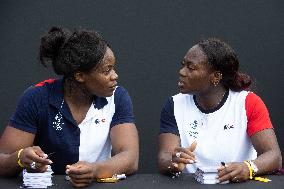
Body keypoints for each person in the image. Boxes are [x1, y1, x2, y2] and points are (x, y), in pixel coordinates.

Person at [0, 26, 139, 187]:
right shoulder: (37, 97)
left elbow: (130, 157)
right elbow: (3, 158)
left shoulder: (118, 97)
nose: (115, 76)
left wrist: (94, 170)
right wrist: (19, 157)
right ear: (80, 76)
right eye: (107, 70)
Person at [158, 38, 282, 183]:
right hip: (191, 185)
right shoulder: (174, 104)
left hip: (239, 185)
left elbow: (274, 156)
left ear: (215, 77)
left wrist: (248, 167)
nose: (182, 72)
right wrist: (174, 161)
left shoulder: (248, 102)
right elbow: (164, 157)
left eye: (191, 68)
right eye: (183, 65)